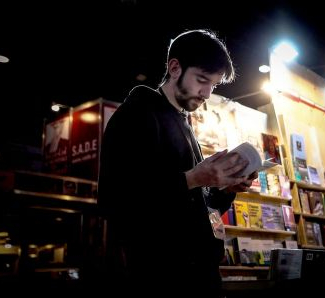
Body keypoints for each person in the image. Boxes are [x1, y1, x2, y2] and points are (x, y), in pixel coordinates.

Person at [98, 29, 257, 297]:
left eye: (214, 85)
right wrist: (194, 178)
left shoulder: (182, 121)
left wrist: (223, 188)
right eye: (202, 80)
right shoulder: (137, 114)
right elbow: (116, 199)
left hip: (199, 273)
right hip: (160, 279)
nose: (207, 93)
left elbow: (191, 201)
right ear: (174, 68)